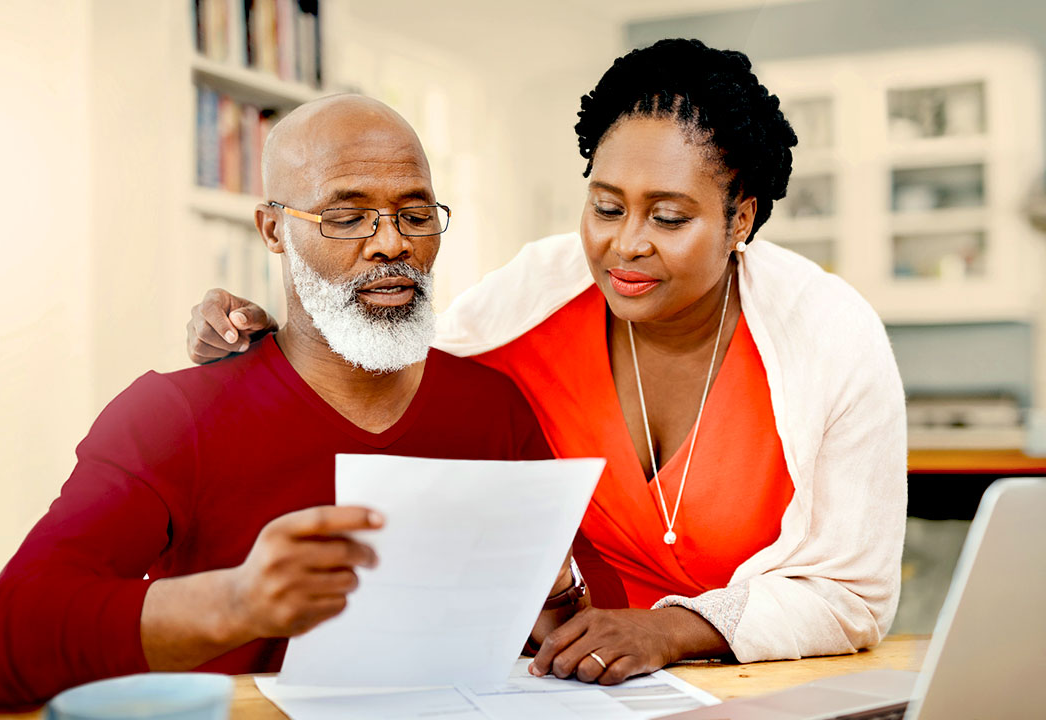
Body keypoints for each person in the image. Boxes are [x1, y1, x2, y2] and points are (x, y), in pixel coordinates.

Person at [188, 39, 907, 686]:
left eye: (670, 217)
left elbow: (854, 596)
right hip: (566, 681)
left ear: (740, 219)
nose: (627, 244)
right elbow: (385, 380)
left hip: (769, 684)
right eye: (605, 206)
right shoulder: (539, 292)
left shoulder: (829, 336)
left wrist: (671, 629)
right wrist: (257, 344)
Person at [0, 95, 555, 709]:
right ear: (273, 229)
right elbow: (13, 638)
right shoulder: (172, 414)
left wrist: (558, 601)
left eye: (415, 214)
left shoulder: (493, 405)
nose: (391, 244)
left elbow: (582, 616)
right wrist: (238, 600)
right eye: (346, 217)